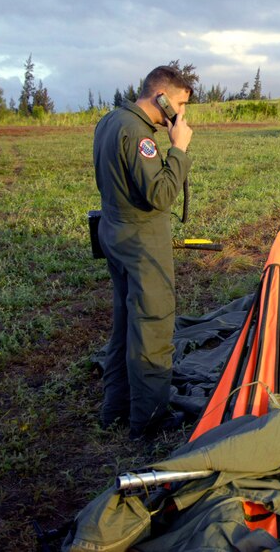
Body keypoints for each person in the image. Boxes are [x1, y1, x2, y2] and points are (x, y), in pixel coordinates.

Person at [93, 65, 194, 440]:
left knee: (124, 326)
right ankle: (148, 420)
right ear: (162, 97)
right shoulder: (138, 134)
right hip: (141, 243)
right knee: (152, 325)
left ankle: (114, 409)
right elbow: (161, 194)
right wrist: (179, 149)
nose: (181, 113)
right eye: (180, 103)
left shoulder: (110, 121)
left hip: (114, 233)